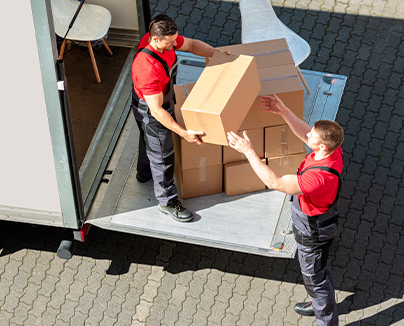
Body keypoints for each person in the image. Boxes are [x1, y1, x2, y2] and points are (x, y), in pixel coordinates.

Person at [226, 94, 345, 326]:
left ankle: (326, 319)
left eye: (313, 135)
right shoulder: (333, 151)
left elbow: (276, 183)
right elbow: (304, 134)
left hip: (313, 231)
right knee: (319, 270)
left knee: (314, 279)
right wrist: (283, 111)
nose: (307, 133)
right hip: (319, 223)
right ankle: (321, 301)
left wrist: (248, 151)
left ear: (322, 146)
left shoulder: (317, 178)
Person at [131, 14, 228, 222]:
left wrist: (217, 54)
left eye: (175, 39)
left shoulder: (163, 39)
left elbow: (191, 44)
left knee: (147, 141)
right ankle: (167, 201)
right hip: (152, 110)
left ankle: (144, 173)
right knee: (163, 155)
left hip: (155, 100)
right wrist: (183, 133)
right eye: (171, 42)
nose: (176, 44)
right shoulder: (147, 67)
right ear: (155, 40)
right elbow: (157, 111)